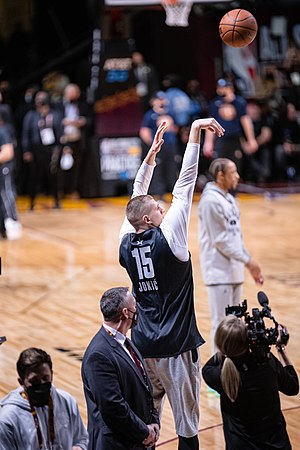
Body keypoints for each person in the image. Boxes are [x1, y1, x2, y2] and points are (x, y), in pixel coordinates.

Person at [119, 118, 225, 450]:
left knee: (148, 426)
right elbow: (185, 182)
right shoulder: (170, 238)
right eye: (157, 209)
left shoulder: (125, 243)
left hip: (144, 346)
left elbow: (136, 198)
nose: (163, 207)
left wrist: (149, 160)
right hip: (176, 348)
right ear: (149, 220)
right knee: (187, 428)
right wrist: (195, 132)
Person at [202, 315, 299, 449]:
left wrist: (228, 343)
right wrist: (280, 348)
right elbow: (293, 388)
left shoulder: (217, 376)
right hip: (277, 445)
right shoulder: (268, 363)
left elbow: (211, 363)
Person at [198, 158, 264, 354]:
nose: (237, 176)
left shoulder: (229, 199)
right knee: (220, 324)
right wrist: (248, 261)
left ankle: (232, 369)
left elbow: (236, 237)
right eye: (233, 172)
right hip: (218, 272)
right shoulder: (210, 201)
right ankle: (216, 376)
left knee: (235, 323)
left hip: (234, 269)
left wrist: (248, 262)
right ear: (220, 175)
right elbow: (220, 239)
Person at [81, 286, 159, 450]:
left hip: (137, 440)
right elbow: (113, 407)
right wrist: (144, 432)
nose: (137, 310)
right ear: (125, 312)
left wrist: (154, 422)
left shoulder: (126, 343)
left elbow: (145, 387)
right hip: (116, 444)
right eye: (134, 306)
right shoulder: (99, 355)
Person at [0, 347, 88, 450]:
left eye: (45, 378)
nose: (42, 384)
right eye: (35, 381)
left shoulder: (67, 401)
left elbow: (83, 439)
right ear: (21, 382)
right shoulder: (8, 419)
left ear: (52, 374)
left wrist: (79, 447)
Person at [203, 78, 258, 176]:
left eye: (224, 88)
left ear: (230, 88)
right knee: (218, 166)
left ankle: (232, 188)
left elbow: (246, 121)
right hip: (220, 139)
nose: (221, 90)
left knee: (235, 165)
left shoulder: (239, 102)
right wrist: (208, 142)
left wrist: (251, 139)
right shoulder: (215, 103)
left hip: (234, 139)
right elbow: (210, 123)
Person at [0, 116, 22, 240]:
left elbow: (8, 152)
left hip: (5, 167)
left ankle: (12, 221)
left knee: (6, 192)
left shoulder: (3, 131)